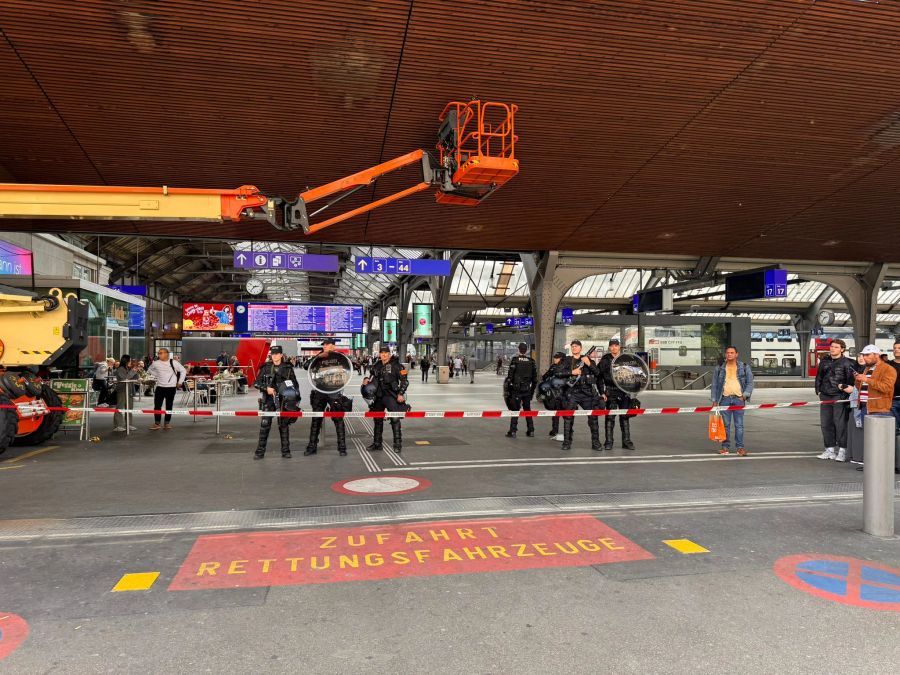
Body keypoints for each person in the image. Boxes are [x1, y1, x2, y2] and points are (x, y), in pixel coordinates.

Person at [814, 339, 859, 462]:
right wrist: (818, 390)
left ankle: (843, 451)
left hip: (839, 397)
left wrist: (846, 395)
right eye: (832, 346)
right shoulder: (824, 362)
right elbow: (819, 377)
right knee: (826, 424)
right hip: (825, 396)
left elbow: (851, 381)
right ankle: (829, 450)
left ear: (842, 349)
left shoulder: (848, 363)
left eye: (836, 347)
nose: (832, 349)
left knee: (840, 424)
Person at [304, 338, 349, 457]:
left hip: (334, 390)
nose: (324, 346)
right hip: (320, 390)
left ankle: (342, 447)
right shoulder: (319, 356)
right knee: (316, 419)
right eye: (323, 345)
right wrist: (317, 357)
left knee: (338, 419)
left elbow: (349, 369)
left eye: (327, 345)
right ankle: (312, 446)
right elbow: (306, 366)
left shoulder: (340, 357)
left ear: (333, 346)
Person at [560, 340, 604, 451]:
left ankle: (596, 443)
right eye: (572, 346)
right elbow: (557, 373)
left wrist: (588, 363)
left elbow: (598, 373)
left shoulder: (588, 359)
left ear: (581, 348)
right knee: (568, 418)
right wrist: (572, 372)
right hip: (572, 392)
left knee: (593, 418)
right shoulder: (567, 360)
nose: (574, 348)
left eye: (576, 346)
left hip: (587, 393)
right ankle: (567, 442)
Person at [254, 345, 297, 459]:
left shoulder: (288, 368)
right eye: (273, 354)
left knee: (284, 426)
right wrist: (266, 389)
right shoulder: (265, 367)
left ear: (281, 355)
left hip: (284, 401)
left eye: (277, 354)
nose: (275, 356)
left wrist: (294, 400)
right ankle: (259, 452)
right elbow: (256, 383)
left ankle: (286, 451)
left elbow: (295, 385)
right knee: (265, 425)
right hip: (268, 400)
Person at [710, 346, 754, 456]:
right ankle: (725, 447)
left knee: (739, 425)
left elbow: (750, 383)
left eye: (732, 352)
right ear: (725, 354)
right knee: (725, 425)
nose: (729, 354)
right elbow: (714, 385)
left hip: (738, 399)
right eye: (728, 352)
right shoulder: (719, 368)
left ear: (736, 354)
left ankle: (740, 448)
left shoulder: (744, 367)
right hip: (724, 399)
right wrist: (715, 400)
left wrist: (744, 396)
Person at [365, 346, 409, 453]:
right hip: (378, 396)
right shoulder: (377, 365)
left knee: (395, 419)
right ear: (379, 354)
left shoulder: (397, 366)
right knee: (377, 419)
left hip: (391, 395)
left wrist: (401, 394)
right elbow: (370, 377)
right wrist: (365, 380)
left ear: (389, 354)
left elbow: (405, 381)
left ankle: (397, 444)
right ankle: (377, 444)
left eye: (386, 353)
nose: (384, 355)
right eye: (382, 353)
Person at [598, 338, 635, 450]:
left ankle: (627, 442)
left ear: (619, 347)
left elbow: (634, 376)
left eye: (616, 345)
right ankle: (609, 442)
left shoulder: (625, 359)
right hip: (611, 391)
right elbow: (599, 377)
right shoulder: (605, 360)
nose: (614, 347)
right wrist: (602, 392)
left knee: (625, 416)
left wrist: (633, 391)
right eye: (612, 346)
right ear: (609, 347)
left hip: (624, 391)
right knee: (610, 417)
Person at [146, 348, 186, 430]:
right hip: (160, 387)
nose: (159, 354)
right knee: (157, 406)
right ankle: (157, 423)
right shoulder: (156, 363)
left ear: (167, 354)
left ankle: (167, 423)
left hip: (171, 388)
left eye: (161, 353)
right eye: (159, 353)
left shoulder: (173, 362)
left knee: (169, 406)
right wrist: (157, 375)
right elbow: (149, 370)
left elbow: (183, 370)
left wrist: (180, 382)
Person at [504, 342, 538, 438]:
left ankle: (513, 431)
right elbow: (535, 380)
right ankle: (531, 431)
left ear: (519, 350)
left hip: (516, 390)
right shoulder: (531, 361)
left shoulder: (515, 360)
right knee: (528, 410)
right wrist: (531, 393)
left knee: (515, 410)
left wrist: (509, 390)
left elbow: (510, 377)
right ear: (526, 350)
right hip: (527, 390)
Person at [539, 351, 568, 441]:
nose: (555, 359)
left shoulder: (561, 367)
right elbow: (545, 376)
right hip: (556, 393)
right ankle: (555, 430)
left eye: (557, 358)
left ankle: (566, 430)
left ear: (561, 358)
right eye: (555, 357)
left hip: (563, 394)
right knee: (557, 413)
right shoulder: (555, 366)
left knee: (564, 413)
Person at [112, 355, 137, 432]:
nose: (130, 362)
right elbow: (125, 378)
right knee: (120, 407)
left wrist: (136, 372)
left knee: (129, 408)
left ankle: (129, 424)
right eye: (129, 361)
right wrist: (133, 371)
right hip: (122, 390)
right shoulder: (120, 369)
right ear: (126, 361)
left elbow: (133, 377)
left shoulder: (128, 368)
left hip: (129, 390)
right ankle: (118, 425)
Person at [890, 339, 900, 433]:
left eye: (899, 348)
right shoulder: (888, 365)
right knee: (894, 430)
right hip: (892, 400)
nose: (896, 350)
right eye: (894, 348)